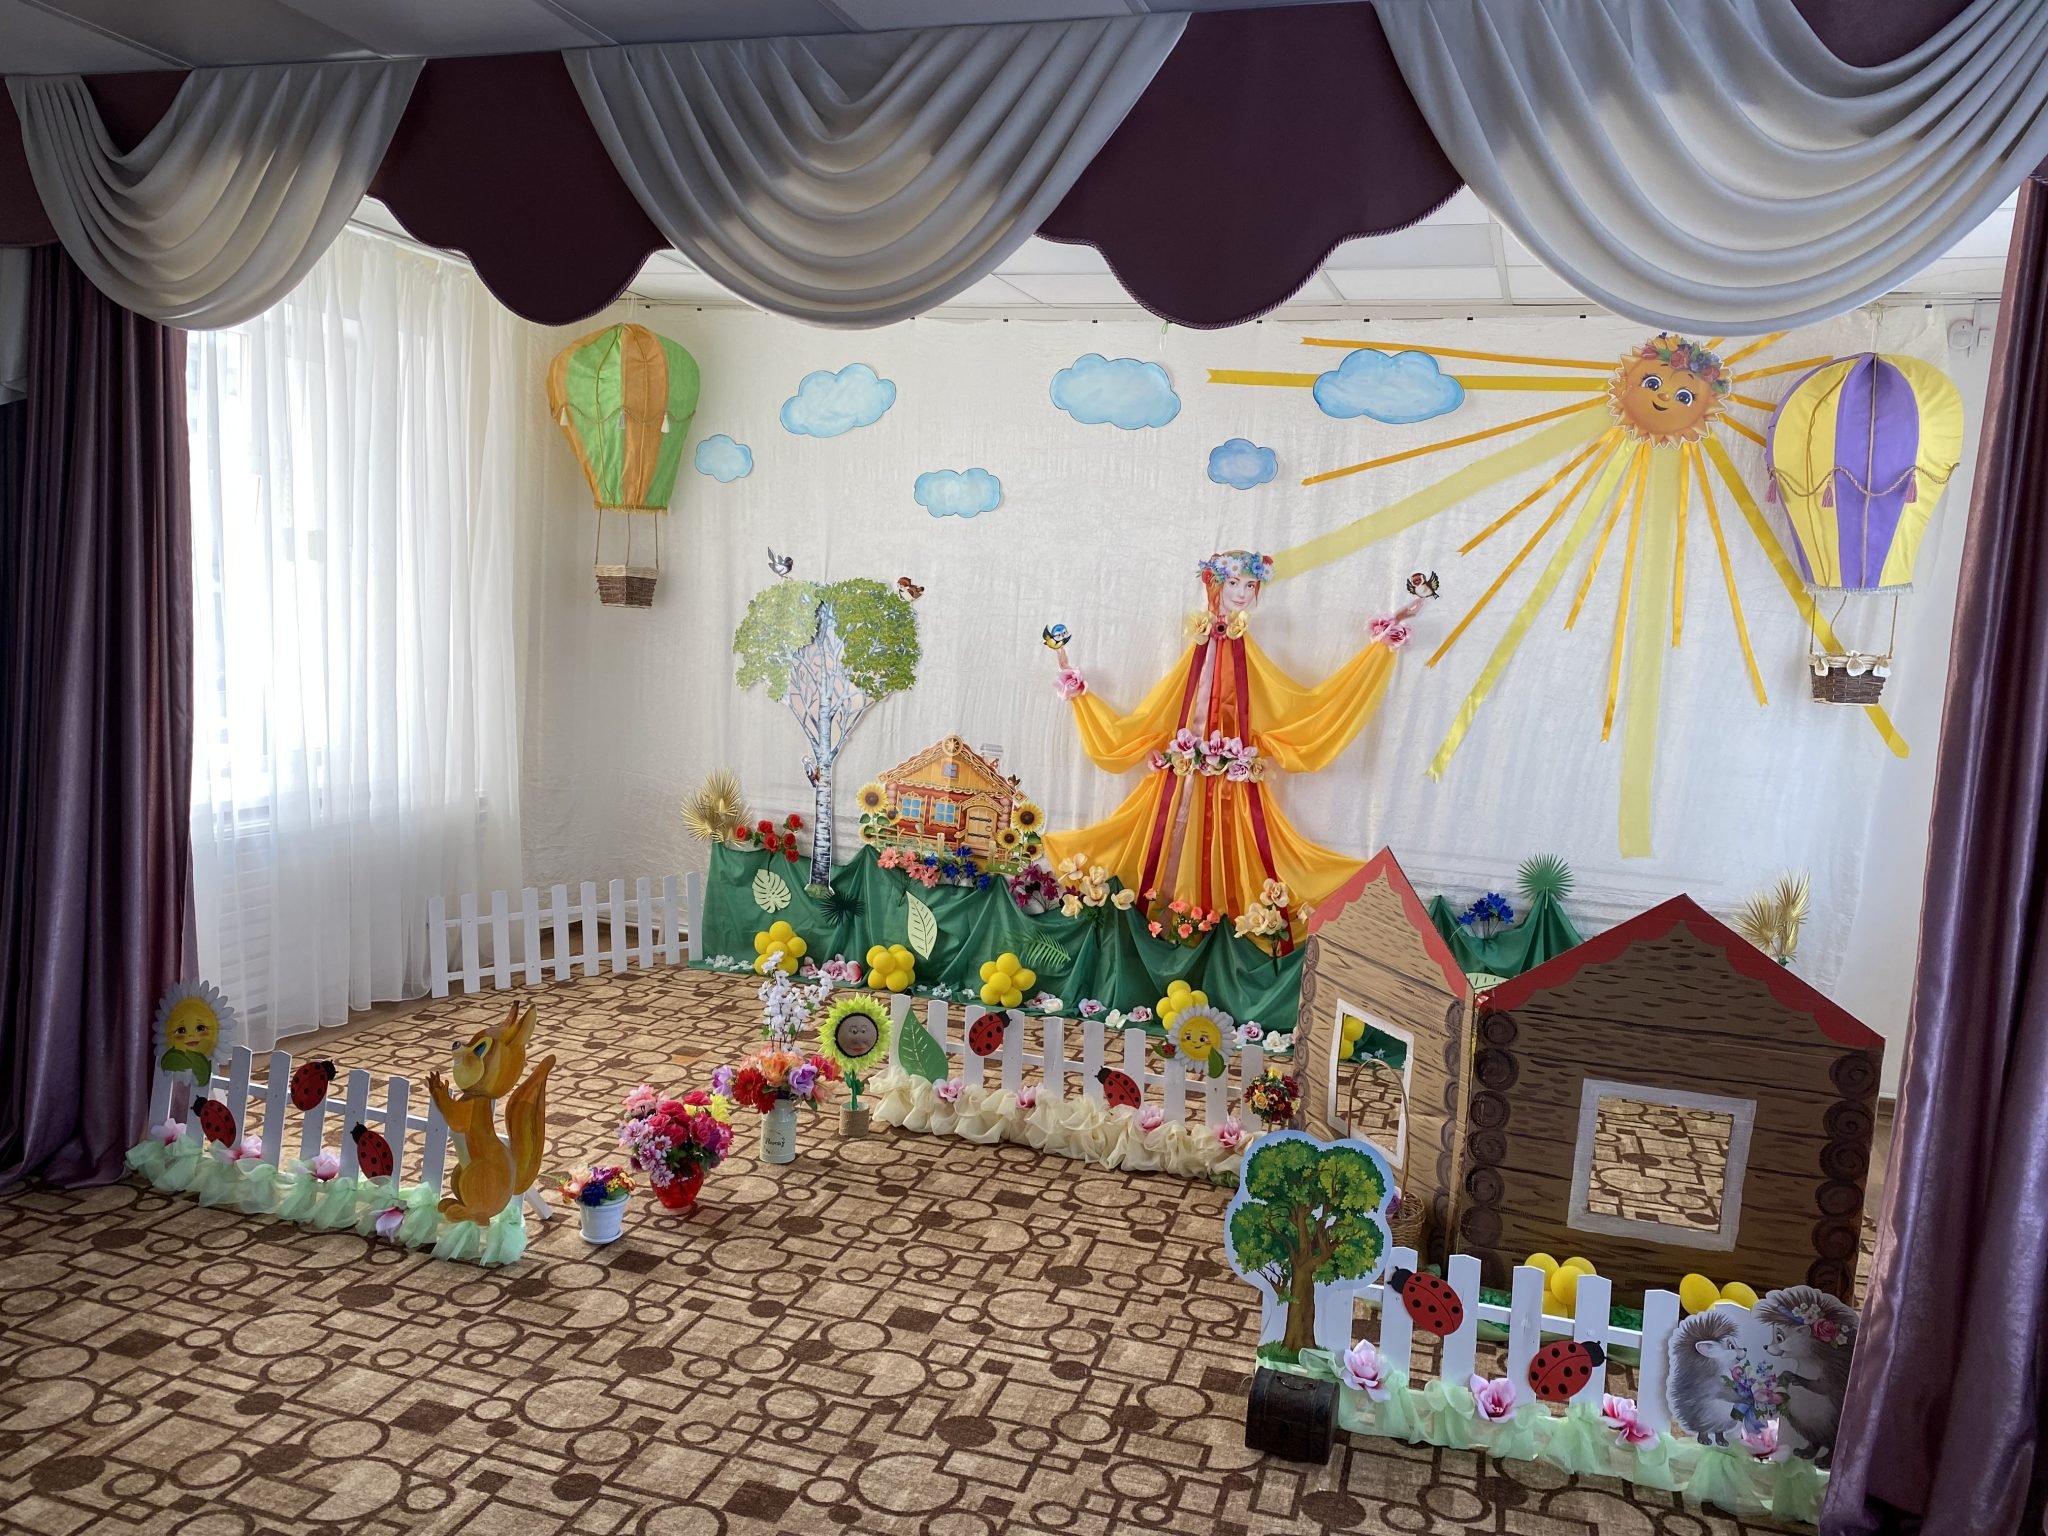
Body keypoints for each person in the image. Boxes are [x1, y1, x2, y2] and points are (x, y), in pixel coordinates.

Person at [1044, 550, 1422, 936]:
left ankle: (1209, 918)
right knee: (1166, 835)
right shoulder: (1204, 645)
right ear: (1216, 586)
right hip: (1187, 774)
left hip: (1229, 782)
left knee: (1246, 848)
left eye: (1250, 585)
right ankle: (1171, 916)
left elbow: (1294, 706)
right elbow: (1159, 708)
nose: (1242, 593)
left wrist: (1380, 647)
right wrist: (1081, 693)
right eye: (1234, 584)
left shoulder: (1242, 651)